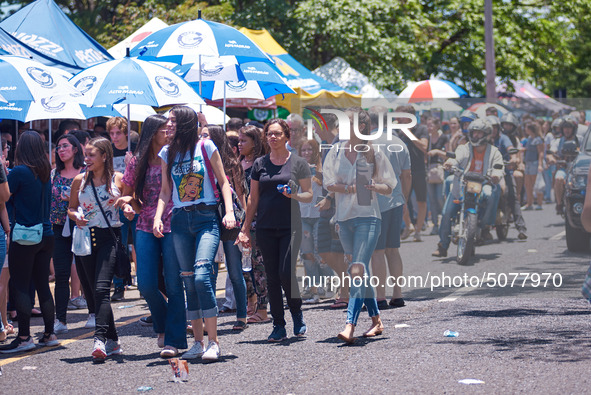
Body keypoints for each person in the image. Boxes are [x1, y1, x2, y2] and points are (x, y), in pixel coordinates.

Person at [154, 106, 236, 361]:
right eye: (167, 122)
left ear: (186, 124)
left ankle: (214, 342)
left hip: (206, 218)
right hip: (179, 220)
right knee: (189, 282)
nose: (167, 126)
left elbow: (224, 181)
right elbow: (166, 190)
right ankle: (198, 343)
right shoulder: (166, 152)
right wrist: (158, 216)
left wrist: (230, 212)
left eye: (172, 122)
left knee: (202, 277)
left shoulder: (206, 147)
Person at [323, 108, 395, 343]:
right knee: (359, 273)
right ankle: (377, 321)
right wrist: (349, 189)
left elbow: (390, 187)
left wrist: (375, 186)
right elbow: (328, 183)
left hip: (368, 218)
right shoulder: (334, 151)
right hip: (344, 219)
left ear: (361, 127)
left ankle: (349, 324)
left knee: (357, 269)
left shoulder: (374, 152)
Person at [238, 119, 312, 342]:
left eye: (278, 134)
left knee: (285, 272)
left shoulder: (298, 163)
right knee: (271, 277)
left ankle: (296, 312)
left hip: (291, 226)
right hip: (265, 227)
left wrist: (295, 195)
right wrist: (244, 229)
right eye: (269, 134)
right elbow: (253, 198)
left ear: (287, 137)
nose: (273, 137)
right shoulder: (260, 164)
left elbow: (308, 194)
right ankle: (278, 324)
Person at [120, 114, 188, 358]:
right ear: (152, 133)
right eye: (164, 130)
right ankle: (164, 324)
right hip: (145, 224)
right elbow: (129, 196)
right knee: (147, 284)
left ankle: (173, 339)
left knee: (173, 283)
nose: (169, 133)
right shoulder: (137, 162)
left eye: (171, 129)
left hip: (174, 224)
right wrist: (128, 207)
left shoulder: (176, 155)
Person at [68, 137, 135, 361]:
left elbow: (130, 200)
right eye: (85, 155)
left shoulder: (118, 179)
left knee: (100, 289)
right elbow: (71, 208)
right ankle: (114, 340)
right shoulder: (79, 180)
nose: (86, 159)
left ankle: (99, 339)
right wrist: (75, 217)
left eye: (91, 155)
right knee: (93, 294)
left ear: (104, 156)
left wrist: (126, 207)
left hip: (109, 238)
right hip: (85, 239)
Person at [0, 131, 57, 353]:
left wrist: (4, 175)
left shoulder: (20, 172)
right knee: (43, 285)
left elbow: (4, 196)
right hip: (46, 234)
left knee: (21, 286)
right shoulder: (45, 172)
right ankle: (49, 333)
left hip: (24, 235)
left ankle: (24, 337)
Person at [432, 119, 504, 258]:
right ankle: (443, 245)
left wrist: (496, 175)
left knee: (492, 193)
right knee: (447, 213)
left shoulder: (494, 152)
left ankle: (485, 225)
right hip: (462, 184)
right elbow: (457, 158)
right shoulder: (464, 148)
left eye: (479, 133)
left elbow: (498, 166)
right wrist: (450, 162)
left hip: (483, 185)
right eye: (474, 133)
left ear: (487, 135)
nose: (476, 136)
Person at [207, 125, 249, 331]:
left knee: (234, 270)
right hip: (208, 219)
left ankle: (242, 315)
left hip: (231, 219)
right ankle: (210, 317)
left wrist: (245, 227)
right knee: (210, 272)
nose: (201, 139)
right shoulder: (200, 163)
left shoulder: (232, 164)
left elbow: (241, 196)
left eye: (206, 135)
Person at [369, 109, 411, 309]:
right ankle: (398, 294)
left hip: (375, 201)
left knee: (377, 252)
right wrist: (404, 199)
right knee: (393, 250)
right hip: (395, 200)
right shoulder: (399, 142)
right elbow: (407, 175)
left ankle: (380, 296)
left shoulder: (367, 143)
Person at [51, 134, 91, 335]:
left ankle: (93, 314)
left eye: (65, 146)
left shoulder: (86, 172)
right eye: (58, 147)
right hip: (59, 228)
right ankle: (61, 319)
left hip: (84, 225)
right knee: (61, 274)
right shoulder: (54, 174)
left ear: (76, 149)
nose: (60, 150)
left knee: (86, 271)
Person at [237, 125, 270, 324]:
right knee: (245, 265)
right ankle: (252, 300)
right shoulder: (237, 163)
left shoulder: (262, 164)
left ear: (255, 142)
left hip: (258, 219)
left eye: (243, 141)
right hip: (240, 220)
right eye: (238, 141)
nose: (239, 144)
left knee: (259, 266)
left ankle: (263, 307)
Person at [107, 117, 137, 301]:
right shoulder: (107, 151)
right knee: (119, 246)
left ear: (126, 132)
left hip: (134, 201)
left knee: (139, 244)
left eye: (118, 133)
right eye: (112, 133)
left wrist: (131, 163)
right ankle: (119, 285)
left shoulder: (135, 149)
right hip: (116, 204)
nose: (115, 137)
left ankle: (143, 282)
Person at [298, 139, 330, 304]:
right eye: (303, 150)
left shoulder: (322, 169)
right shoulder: (296, 168)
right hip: (303, 215)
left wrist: (318, 173)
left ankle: (332, 284)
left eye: (309, 150)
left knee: (320, 253)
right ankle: (315, 290)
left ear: (316, 151)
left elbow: (329, 186)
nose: (306, 153)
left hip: (319, 215)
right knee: (307, 254)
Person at [490, 116, 527, 240]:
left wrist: (513, 159)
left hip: (504, 172)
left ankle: (521, 228)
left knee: (512, 195)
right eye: (491, 128)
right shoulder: (484, 140)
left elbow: (511, 150)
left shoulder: (504, 139)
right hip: (487, 174)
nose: (493, 130)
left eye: (495, 128)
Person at [397, 106, 428, 242]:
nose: (398, 118)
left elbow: (424, 147)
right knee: (402, 200)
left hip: (419, 169)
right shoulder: (397, 131)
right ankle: (408, 225)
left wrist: (408, 133)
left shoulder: (422, 129)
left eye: (401, 115)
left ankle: (418, 231)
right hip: (402, 171)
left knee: (421, 202)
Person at [548, 115, 580, 215]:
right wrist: (551, 159)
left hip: (578, 170)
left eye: (569, 127)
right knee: (558, 178)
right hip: (564, 168)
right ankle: (559, 204)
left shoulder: (580, 140)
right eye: (565, 127)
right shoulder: (558, 141)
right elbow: (550, 153)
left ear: (574, 129)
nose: (567, 130)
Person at [425, 116, 449, 234]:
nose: (429, 128)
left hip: (440, 169)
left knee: (440, 197)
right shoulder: (427, 138)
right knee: (432, 200)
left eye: (431, 125)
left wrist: (437, 152)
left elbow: (449, 155)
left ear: (437, 126)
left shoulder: (444, 137)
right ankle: (435, 225)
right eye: (428, 125)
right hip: (429, 170)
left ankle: (445, 220)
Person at [522, 122, 545, 211]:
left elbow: (541, 153)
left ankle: (539, 203)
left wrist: (540, 165)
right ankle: (529, 203)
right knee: (528, 184)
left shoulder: (538, 140)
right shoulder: (529, 139)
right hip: (528, 163)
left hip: (534, 163)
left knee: (536, 184)